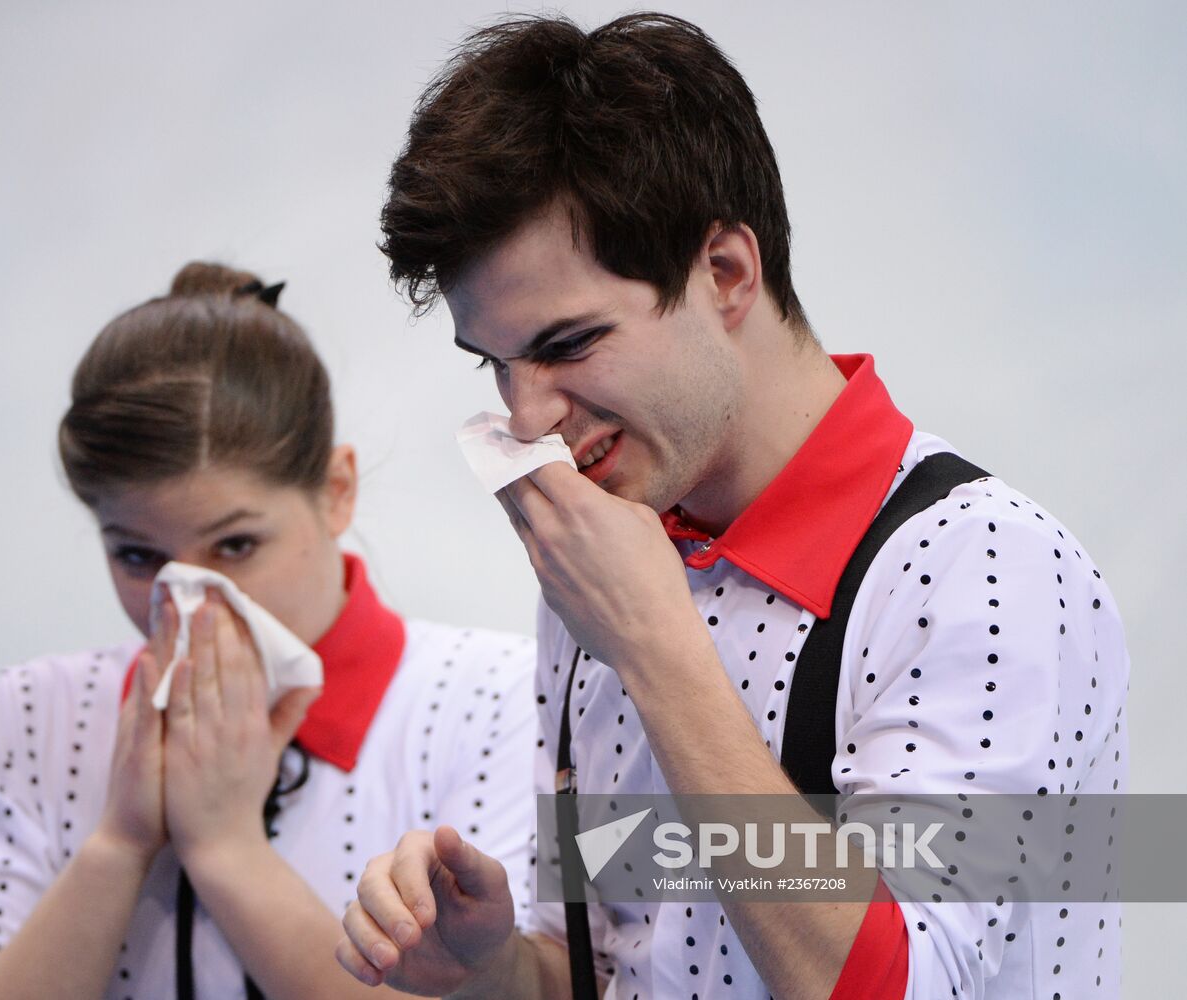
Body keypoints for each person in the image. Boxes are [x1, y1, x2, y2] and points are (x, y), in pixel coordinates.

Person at [338, 13, 1130, 1000]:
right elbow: (610, 963)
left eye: (568, 343)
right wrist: (484, 960)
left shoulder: (987, 566)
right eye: (495, 365)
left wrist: (657, 652)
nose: (526, 413)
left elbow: (903, 986)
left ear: (724, 273)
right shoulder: (610, 562)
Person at [0, 262, 536, 1000]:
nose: (191, 603)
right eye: (137, 557)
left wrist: (226, 847)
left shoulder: (499, 695)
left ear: (336, 492)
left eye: (235, 547)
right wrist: (119, 845)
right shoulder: (31, 715)